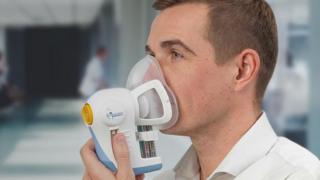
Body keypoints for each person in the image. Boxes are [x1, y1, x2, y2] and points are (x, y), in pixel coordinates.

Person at [80, 0, 320, 180]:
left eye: (175, 54)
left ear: (242, 70)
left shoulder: (300, 174)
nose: (148, 75)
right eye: (152, 56)